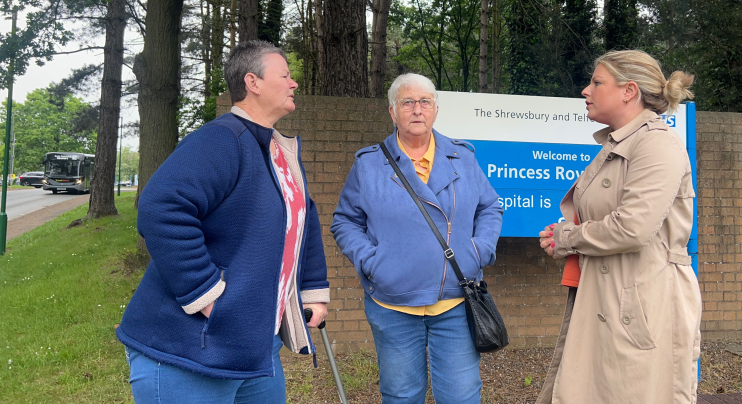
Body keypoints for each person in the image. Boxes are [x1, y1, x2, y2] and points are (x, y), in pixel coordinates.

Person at [116, 40, 329, 404]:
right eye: (285, 75)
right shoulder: (222, 140)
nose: (294, 83)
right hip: (188, 351)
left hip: (254, 351)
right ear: (253, 82)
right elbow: (161, 206)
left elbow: (302, 224)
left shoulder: (279, 153)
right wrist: (207, 295)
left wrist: (312, 291)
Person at [536, 50, 701, 404]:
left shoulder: (657, 144)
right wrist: (566, 236)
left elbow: (632, 228)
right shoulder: (620, 142)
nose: (586, 90)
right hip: (608, 297)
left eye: (597, 82)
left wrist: (569, 237)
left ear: (629, 91)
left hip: (641, 305)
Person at [331, 73, 503, 404]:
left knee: (461, 397)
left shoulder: (462, 157)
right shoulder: (369, 164)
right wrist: (372, 261)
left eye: (424, 102)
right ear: (393, 111)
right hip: (393, 304)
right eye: (407, 102)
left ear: (436, 110)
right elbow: (345, 221)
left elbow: (490, 207)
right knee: (400, 396)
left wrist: (478, 251)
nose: (417, 109)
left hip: (456, 302)